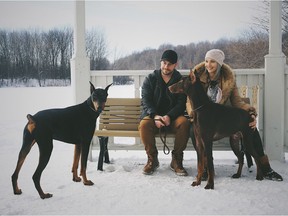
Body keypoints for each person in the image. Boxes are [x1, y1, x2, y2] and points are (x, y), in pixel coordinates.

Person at [186, 49, 283, 181]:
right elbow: (190, 101)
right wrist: (194, 114)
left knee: (251, 128)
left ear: (219, 63)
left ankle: (265, 168)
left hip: (221, 119)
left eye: (213, 61)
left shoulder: (228, 80)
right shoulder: (197, 78)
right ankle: (206, 168)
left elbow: (237, 101)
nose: (208, 65)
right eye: (206, 61)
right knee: (193, 131)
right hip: (203, 118)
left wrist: (251, 113)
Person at [138, 50, 190, 176]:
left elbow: (181, 103)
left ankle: (176, 160)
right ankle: (152, 159)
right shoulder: (150, 78)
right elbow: (146, 100)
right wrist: (155, 115)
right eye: (164, 63)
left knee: (184, 123)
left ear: (175, 65)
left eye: (170, 64)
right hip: (153, 117)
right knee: (144, 125)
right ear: (161, 62)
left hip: (173, 118)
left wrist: (169, 116)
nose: (166, 66)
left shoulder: (180, 81)